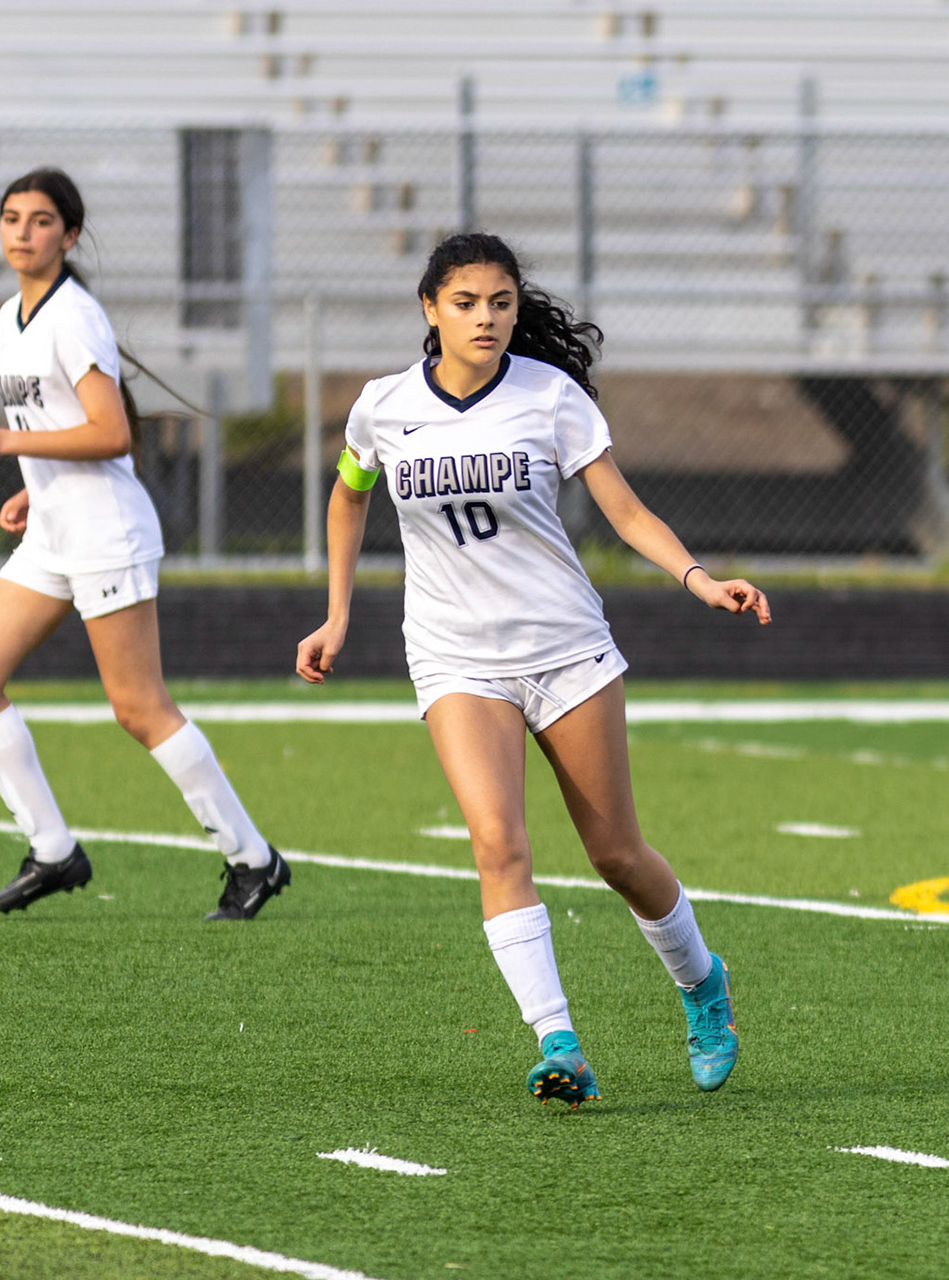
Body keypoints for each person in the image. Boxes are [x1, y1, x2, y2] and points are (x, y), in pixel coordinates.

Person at [297, 232, 769, 1107]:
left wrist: (699, 578)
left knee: (616, 854)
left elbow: (626, 511)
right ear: (429, 308)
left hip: (565, 648)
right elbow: (348, 496)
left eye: (501, 303)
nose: (486, 318)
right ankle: (559, 1042)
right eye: (466, 303)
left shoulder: (552, 397)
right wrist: (337, 614)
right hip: (453, 656)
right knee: (498, 844)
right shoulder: (382, 406)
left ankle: (704, 986)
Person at [0, 168, 286, 920]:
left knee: (140, 708)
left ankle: (254, 859)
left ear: (70, 235)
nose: (23, 232)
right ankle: (53, 851)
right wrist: (33, 485)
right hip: (54, 531)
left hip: (106, 534)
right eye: (12, 218)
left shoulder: (74, 315)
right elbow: (57, 424)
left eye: (41, 220)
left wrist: (2, 445)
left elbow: (112, 432)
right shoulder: (10, 316)